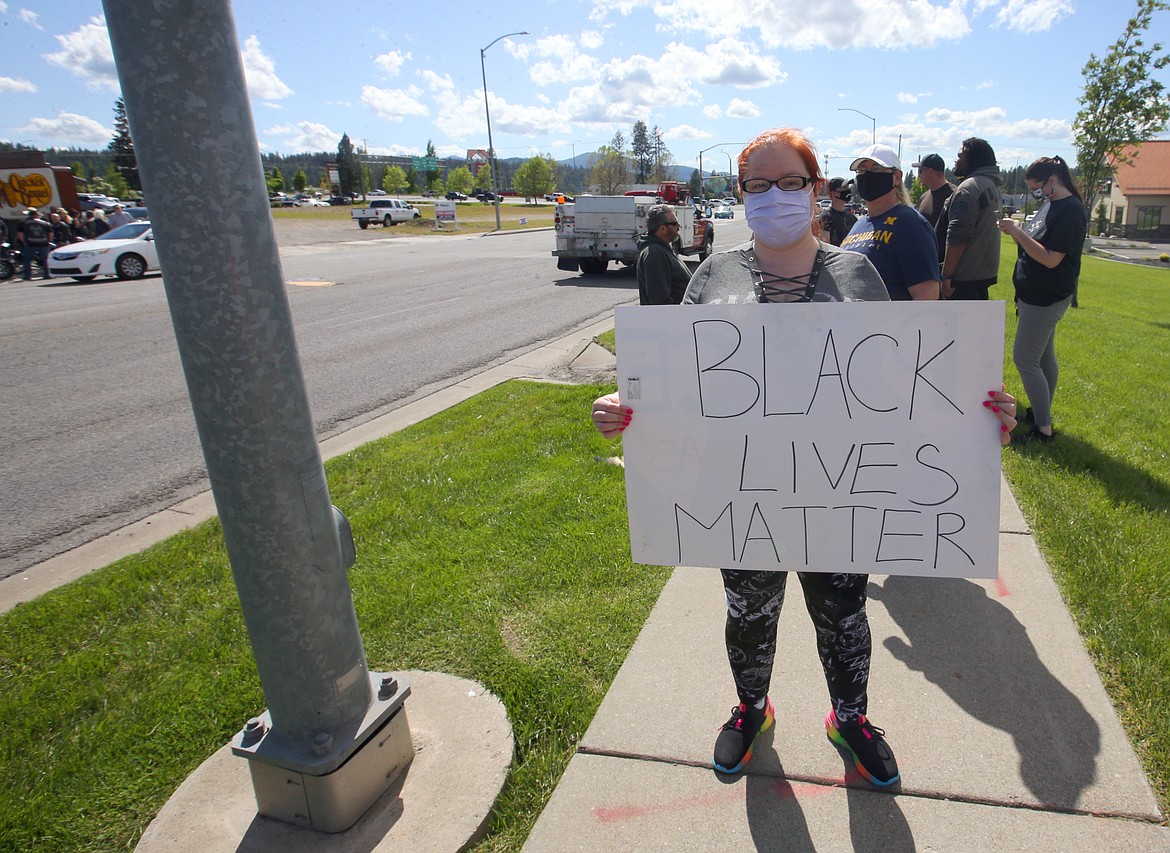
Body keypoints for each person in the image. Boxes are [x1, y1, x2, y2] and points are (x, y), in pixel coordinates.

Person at [591, 127, 1019, 787]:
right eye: (758, 185)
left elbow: (897, 384)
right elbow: (678, 375)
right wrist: (629, 403)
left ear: (816, 190)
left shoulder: (856, 275)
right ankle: (751, 709)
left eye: (790, 182)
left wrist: (973, 415)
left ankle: (850, 718)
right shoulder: (713, 276)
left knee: (843, 616)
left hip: (836, 493)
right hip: (742, 491)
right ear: (741, 194)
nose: (774, 196)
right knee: (748, 614)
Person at [997, 155, 1086, 442]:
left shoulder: (1070, 211)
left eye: (1037, 188)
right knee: (1044, 358)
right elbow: (1034, 247)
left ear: (1052, 180)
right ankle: (1039, 412)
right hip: (1033, 294)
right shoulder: (1051, 205)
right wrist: (1016, 233)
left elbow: (1050, 259)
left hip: (1046, 298)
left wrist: (1017, 232)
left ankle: (1044, 429)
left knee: (1024, 359)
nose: (1037, 194)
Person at [841, 143, 940, 300]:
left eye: (875, 169)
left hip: (888, 323)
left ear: (897, 177)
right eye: (861, 170)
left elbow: (927, 295)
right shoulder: (859, 225)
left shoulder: (909, 223)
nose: (866, 175)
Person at [940, 138, 1002, 301]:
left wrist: (946, 275)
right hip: (980, 277)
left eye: (960, 156)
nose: (956, 160)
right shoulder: (991, 185)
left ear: (973, 159)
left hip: (962, 282)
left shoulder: (969, 188)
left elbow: (958, 234)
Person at [636, 204, 692, 305]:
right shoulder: (654, 253)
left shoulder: (664, 248)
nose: (679, 227)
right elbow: (659, 299)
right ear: (662, 228)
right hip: (671, 319)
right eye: (675, 223)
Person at [913, 153, 955, 229]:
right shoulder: (924, 196)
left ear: (930, 171)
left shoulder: (954, 195)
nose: (919, 175)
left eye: (920, 171)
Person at [819, 177, 856, 246]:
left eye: (848, 187)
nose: (848, 190)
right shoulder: (826, 217)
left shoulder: (852, 217)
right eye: (844, 187)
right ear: (834, 193)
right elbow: (825, 245)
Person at [18, 209, 53, 281]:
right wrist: (48, 241)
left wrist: (24, 242)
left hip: (30, 243)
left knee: (27, 260)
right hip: (44, 243)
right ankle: (47, 274)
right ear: (36, 215)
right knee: (45, 260)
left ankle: (27, 276)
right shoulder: (45, 223)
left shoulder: (23, 222)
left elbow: (20, 234)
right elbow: (50, 234)